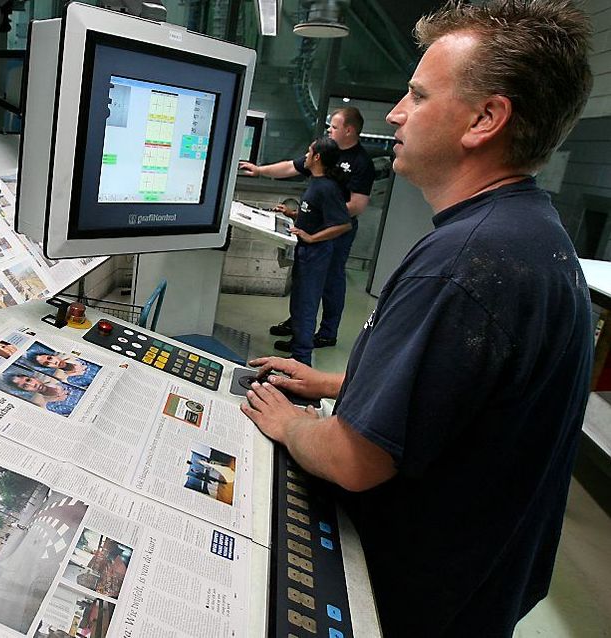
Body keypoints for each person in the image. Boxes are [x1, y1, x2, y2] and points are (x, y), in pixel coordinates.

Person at [240, 1, 594, 635]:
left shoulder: (462, 261)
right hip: (485, 579)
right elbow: (466, 396)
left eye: (418, 95)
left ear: (486, 119)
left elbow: (355, 459)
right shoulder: (533, 233)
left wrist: (291, 421)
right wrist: (333, 385)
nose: (397, 114)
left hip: (416, 596)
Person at [240, 106, 375, 349]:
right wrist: (260, 170)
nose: (330, 130)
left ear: (349, 130)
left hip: (334, 231)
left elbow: (357, 205)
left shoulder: (360, 162)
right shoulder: (324, 152)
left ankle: (325, 333)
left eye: (334, 126)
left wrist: (321, 223)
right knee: (305, 281)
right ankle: (299, 325)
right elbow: (291, 167)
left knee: (329, 280)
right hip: (312, 228)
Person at [274, 136, 352, 365]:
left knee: (306, 304)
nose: (305, 157)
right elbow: (314, 213)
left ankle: (301, 358)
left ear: (317, 157)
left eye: (309, 153)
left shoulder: (327, 187)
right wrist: (293, 215)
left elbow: (343, 224)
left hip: (316, 254)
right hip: (306, 251)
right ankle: (297, 343)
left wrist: (311, 237)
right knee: (298, 301)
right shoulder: (316, 181)